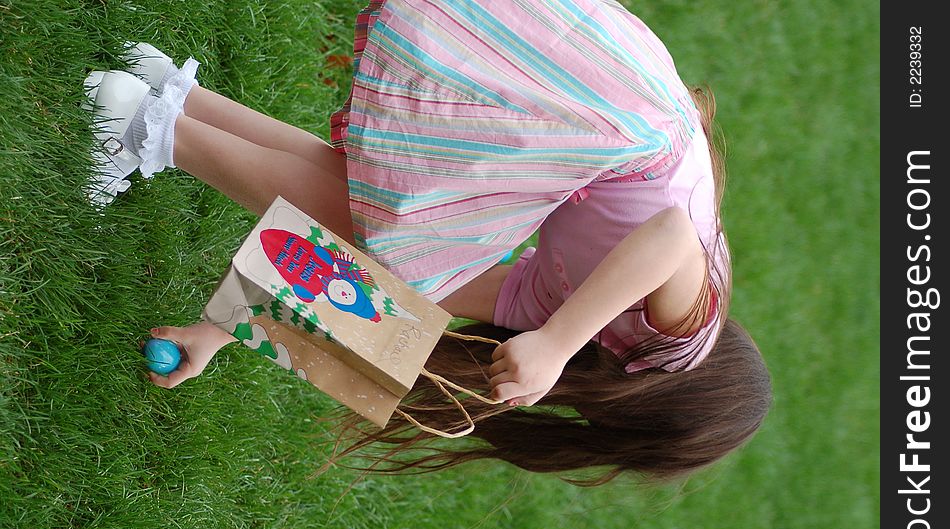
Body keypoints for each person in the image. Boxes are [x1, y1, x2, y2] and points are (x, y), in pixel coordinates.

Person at [85, 0, 771, 486]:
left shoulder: (581, 321)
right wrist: (558, 344)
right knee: (393, 244)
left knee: (394, 249)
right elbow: (672, 235)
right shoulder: (679, 339)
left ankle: (172, 93)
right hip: (604, 108)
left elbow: (402, 287)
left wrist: (221, 330)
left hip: (601, 101)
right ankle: (141, 123)